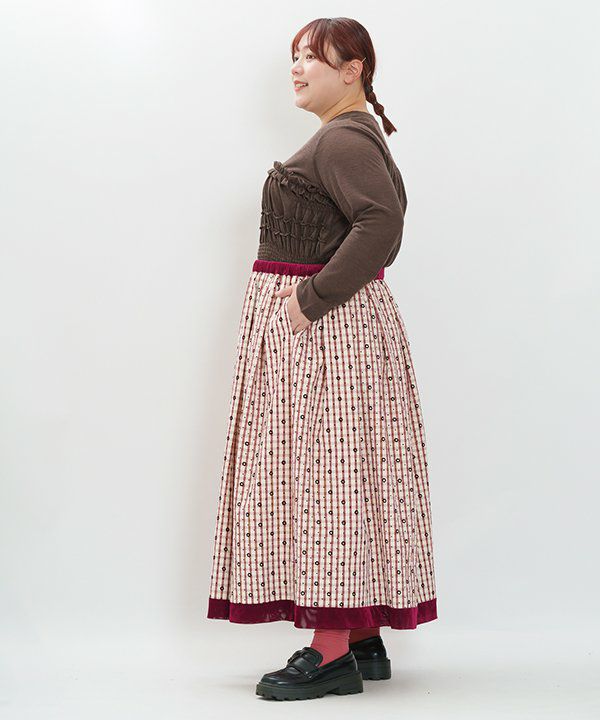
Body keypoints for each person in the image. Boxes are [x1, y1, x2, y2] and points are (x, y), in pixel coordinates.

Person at [206, 16, 438, 701]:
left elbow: (382, 224)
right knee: (341, 472)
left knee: (325, 476)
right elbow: (381, 223)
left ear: (353, 69)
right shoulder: (351, 135)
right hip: (332, 331)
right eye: (296, 57)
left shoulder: (342, 137)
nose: (297, 68)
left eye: (312, 57)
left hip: (326, 333)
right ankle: (362, 635)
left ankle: (330, 651)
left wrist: (311, 299)